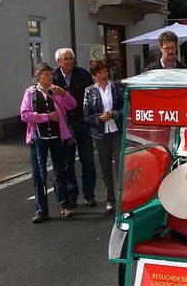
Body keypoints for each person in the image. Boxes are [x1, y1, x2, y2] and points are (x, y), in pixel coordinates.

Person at [21, 62, 77, 222]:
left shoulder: (56, 91)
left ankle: (64, 204)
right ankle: (41, 211)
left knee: (60, 171)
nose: (49, 77)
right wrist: (46, 117)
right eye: (45, 74)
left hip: (57, 137)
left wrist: (64, 93)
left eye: (51, 74)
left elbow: (72, 105)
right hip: (38, 139)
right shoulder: (30, 92)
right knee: (38, 174)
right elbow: (24, 115)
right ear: (38, 77)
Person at [53, 48, 97, 207]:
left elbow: (92, 95)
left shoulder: (83, 74)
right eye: (65, 59)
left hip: (82, 121)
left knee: (88, 160)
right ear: (59, 61)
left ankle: (89, 194)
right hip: (64, 124)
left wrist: (90, 116)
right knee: (67, 161)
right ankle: (72, 194)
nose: (69, 61)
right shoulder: (53, 76)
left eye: (71, 58)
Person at [83, 60, 124, 214]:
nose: (104, 75)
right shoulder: (89, 91)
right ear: (94, 76)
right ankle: (109, 200)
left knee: (120, 166)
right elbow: (86, 114)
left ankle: (123, 199)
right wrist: (98, 119)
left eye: (105, 71)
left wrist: (114, 114)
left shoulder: (117, 87)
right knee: (105, 168)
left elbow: (126, 106)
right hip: (100, 134)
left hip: (117, 131)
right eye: (100, 72)